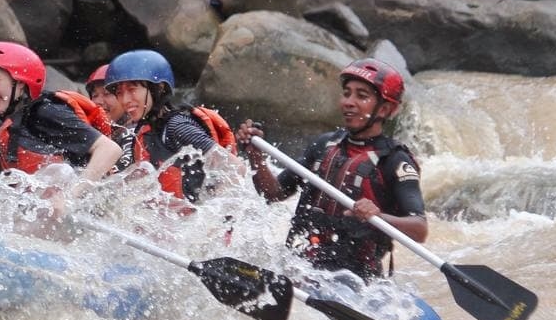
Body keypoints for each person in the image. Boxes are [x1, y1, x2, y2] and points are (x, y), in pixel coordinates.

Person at [236, 58, 428, 282]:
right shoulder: (324, 145)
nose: (349, 102)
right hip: (300, 264)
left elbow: (419, 229)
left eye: (361, 96)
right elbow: (273, 193)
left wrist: (378, 216)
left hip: (355, 280)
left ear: (384, 109)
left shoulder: (395, 161)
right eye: (347, 93)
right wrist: (255, 155)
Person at [0, 42, 122, 187]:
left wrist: (72, 196)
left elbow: (110, 149)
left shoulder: (45, 112)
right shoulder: (9, 128)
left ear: (20, 83)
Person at [103, 49, 237, 202]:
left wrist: (217, 219)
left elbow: (234, 168)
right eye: (119, 93)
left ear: (158, 88)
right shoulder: (148, 131)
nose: (125, 99)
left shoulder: (177, 126)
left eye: (132, 90)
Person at [85, 62, 135, 174]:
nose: (98, 101)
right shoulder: (90, 131)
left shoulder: (133, 133)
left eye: (107, 94)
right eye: (94, 95)